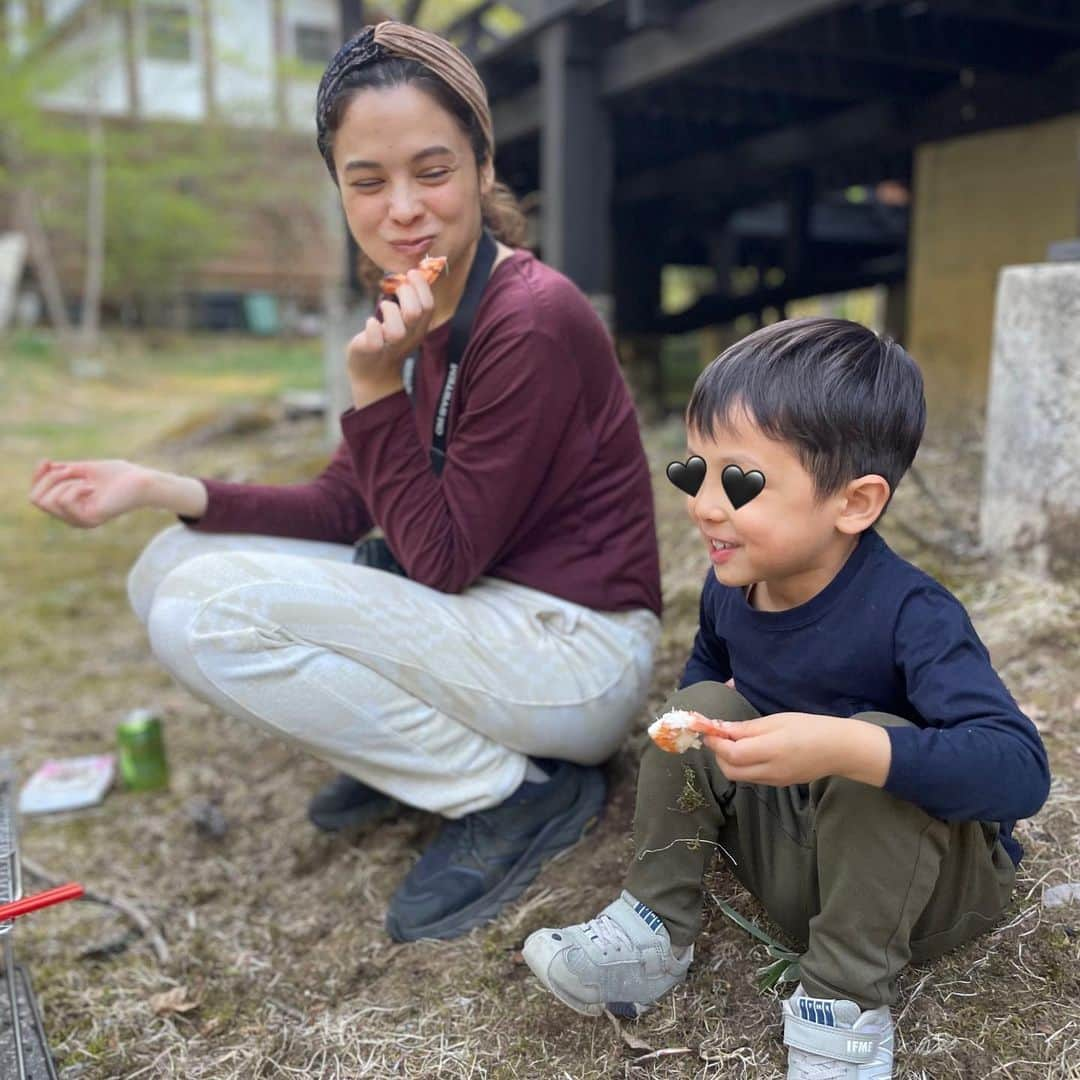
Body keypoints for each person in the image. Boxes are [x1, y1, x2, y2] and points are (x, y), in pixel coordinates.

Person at [28, 22, 661, 944]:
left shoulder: (529, 317)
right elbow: (344, 506)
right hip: (483, 617)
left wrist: (371, 387)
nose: (401, 207)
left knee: (204, 608)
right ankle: (409, 740)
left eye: (432, 171)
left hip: (575, 651)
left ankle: (511, 792)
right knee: (165, 564)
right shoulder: (415, 304)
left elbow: (437, 558)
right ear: (340, 188)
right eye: (367, 180)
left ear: (484, 168)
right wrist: (154, 482)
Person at [522, 318, 1050, 1078]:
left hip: (917, 895)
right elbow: (709, 664)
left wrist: (852, 747)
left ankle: (841, 1001)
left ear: (855, 502)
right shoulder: (733, 584)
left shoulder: (914, 616)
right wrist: (713, 727)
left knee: (877, 748)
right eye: (693, 472)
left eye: (739, 482)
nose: (705, 505)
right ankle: (652, 928)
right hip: (793, 857)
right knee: (697, 705)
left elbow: (1019, 771)